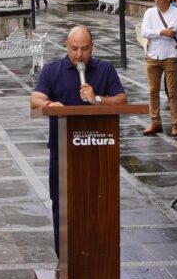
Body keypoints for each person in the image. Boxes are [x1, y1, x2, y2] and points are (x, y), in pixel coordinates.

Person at [30, 26, 127, 254]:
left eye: (84, 49)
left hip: (98, 151)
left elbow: (122, 99)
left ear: (92, 47)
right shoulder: (53, 69)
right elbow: (35, 99)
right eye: (74, 49)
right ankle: (63, 259)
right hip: (62, 151)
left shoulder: (105, 69)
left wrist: (99, 99)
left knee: (98, 205)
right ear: (67, 46)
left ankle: (97, 257)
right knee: (62, 206)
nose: (79, 55)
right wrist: (50, 105)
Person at [140, 0, 177, 136]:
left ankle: (175, 124)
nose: (157, 0)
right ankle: (155, 123)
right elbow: (144, 31)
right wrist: (160, 31)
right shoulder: (150, 12)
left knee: (173, 92)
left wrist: (157, 32)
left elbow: (172, 33)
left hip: (170, 55)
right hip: (152, 55)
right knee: (153, 91)